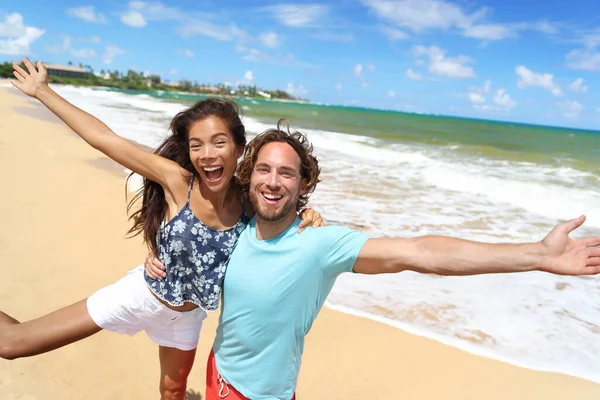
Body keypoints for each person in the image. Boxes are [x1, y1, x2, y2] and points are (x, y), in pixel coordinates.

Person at [143, 119, 600, 400]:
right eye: (264, 169)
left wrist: (537, 255)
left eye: (287, 172)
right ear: (249, 175)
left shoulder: (320, 243)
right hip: (223, 378)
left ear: (304, 185)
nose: (273, 181)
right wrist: (154, 259)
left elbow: (419, 252)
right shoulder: (237, 225)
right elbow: (188, 233)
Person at [0, 59, 322, 400]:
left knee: (172, 391)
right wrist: (42, 92)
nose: (207, 154)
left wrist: (310, 215)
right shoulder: (177, 181)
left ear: (239, 149)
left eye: (218, 142)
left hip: (188, 317)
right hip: (141, 296)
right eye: (196, 145)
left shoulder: (250, 204)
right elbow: (104, 139)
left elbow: (282, 212)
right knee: (12, 343)